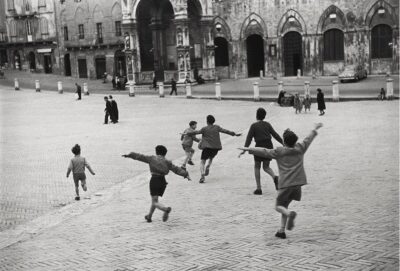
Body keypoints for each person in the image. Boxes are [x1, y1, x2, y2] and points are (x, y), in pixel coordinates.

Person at [239, 123, 323, 239]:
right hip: (297, 185)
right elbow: (308, 139)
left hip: (285, 185)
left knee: (278, 206)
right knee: (285, 205)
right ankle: (281, 231)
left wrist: (248, 149)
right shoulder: (300, 148)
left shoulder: (279, 152)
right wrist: (314, 129)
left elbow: (264, 151)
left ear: (284, 142)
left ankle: (290, 214)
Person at [122, 145, 190, 223]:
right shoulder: (167, 162)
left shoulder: (152, 158)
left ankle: (165, 209)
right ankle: (149, 216)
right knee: (155, 200)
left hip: (154, 180)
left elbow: (140, 156)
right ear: (165, 154)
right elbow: (176, 169)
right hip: (163, 181)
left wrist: (129, 155)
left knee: (155, 202)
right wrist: (185, 174)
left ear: (156, 152)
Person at [239, 108, 283, 195]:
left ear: (256, 115)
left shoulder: (253, 126)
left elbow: (249, 138)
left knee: (257, 167)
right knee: (266, 167)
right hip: (268, 145)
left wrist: (245, 149)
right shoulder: (267, 124)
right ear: (264, 116)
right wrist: (283, 143)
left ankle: (259, 189)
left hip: (259, 146)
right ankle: (275, 177)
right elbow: (275, 135)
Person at [186, 115, 241, 183]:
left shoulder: (204, 128)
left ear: (207, 121)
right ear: (213, 121)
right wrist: (234, 134)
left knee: (202, 161)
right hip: (216, 147)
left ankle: (202, 174)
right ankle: (208, 166)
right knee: (211, 158)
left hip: (207, 147)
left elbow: (196, 132)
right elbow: (225, 131)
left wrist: (187, 133)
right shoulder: (217, 127)